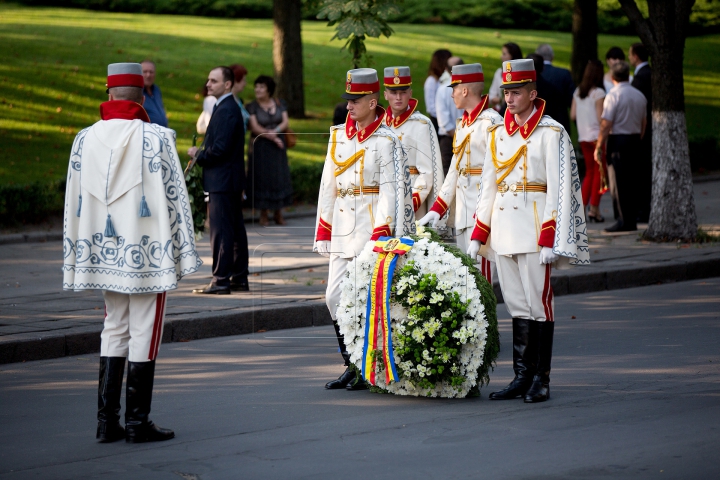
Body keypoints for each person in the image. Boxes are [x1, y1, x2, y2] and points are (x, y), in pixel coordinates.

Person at [63, 62, 201, 443]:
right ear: (143, 97)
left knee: (113, 327)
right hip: (148, 257)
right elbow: (176, 199)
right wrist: (182, 252)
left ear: (108, 94)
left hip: (104, 255)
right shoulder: (156, 138)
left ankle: (106, 423)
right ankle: (138, 423)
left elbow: (73, 202)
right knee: (144, 330)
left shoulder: (84, 139)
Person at [468, 59, 589, 403]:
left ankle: (541, 378)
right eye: (506, 91)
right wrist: (480, 234)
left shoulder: (551, 133)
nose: (508, 97)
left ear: (533, 94)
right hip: (504, 232)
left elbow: (558, 189)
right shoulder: (496, 135)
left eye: (516, 91)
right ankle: (521, 376)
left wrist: (551, 236)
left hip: (536, 232)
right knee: (517, 306)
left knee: (539, 305)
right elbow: (488, 188)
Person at [314, 68, 415, 391]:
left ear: (373, 102)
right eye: (348, 101)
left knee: (366, 300)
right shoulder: (338, 135)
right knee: (333, 297)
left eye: (355, 101)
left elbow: (390, 192)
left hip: (371, 232)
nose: (349, 106)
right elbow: (328, 185)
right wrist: (323, 229)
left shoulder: (387, 141)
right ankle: (350, 362)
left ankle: (362, 366)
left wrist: (381, 235)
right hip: (342, 228)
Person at [419, 63, 502, 283]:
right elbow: (455, 170)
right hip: (464, 212)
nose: (453, 94)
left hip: (481, 214)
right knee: (468, 283)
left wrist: (483, 223)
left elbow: (495, 176)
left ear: (464, 90)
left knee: (481, 282)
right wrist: (438, 208)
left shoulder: (491, 122)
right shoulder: (465, 123)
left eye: (454, 88)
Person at [188, 66, 249, 294]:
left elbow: (220, 150)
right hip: (229, 179)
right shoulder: (227, 107)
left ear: (227, 84)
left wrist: (198, 154)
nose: (208, 84)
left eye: (213, 81)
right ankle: (238, 277)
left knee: (221, 231)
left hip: (222, 180)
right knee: (233, 229)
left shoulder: (225, 109)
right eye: (208, 79)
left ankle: (221, 279)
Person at [382, 66, 444, 217]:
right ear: (385, 95)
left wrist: (409, 205)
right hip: (383, 204)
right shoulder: (380, 124)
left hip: (412, 203)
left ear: (410, 93)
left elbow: (428, 172)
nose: (398, 97)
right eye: (393, 92)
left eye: (403, 92)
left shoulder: (421, 124)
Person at [596, 61, 647, 233]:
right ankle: (631, 219)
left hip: (618, 140)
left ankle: (622, 220)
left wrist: (599, 146)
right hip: (634, 139)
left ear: (612, 77)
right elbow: (643, 123)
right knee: (632, 181)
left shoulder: (613, 95)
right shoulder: (640, 95)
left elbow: (606, 123)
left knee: (618, 182)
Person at [246, 75, 293, 226]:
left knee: (279, 177)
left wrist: (276, 131)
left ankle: (278, 212)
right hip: (260, 147)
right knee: (262, 179)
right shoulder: (252, 106)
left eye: (261, 87)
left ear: (269, 90)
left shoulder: (280, 103)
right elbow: (254, 126)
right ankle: (263, 213)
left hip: (278, 149)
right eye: (256, 86)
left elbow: (285, 121)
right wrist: (272, 137)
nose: (257, 90)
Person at [572, 60, 607, 222]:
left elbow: (572, 115)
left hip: (583, 137)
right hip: (596, 138)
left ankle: (582, 208)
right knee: (599, 173)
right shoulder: (598, 93)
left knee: (588, 173)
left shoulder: (578, 91)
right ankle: (594, 208)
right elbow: (601, 118)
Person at [629, 42, 652, 223]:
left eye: (630, 54)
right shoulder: (648, 73)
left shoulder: (641, 78)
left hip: (641, 131)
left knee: (641, 173)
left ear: (635, 56)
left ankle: (642, 210)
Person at [435, 56, 465, 175]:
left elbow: (444, 123)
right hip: (460, 138)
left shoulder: (442, 89)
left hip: (451, 138)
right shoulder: (468, 88)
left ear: (446, 69)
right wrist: (462, 138)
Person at [535, 44, 574, 134]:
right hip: (559, 122)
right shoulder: (564, 74)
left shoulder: (534, 75)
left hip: (538, 122)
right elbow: (571, 100)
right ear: (552, 57)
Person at [489, 42, 523, 112]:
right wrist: (499, 100)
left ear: (512, 56)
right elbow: (491, 96)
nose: (501, 57)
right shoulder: (499, 72)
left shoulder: (522, 75)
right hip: (500, 111)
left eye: (504, 54)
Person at [424, 49, 452, 133]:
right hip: (437, 122)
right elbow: (431, 107)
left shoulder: (448, 79)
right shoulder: (432, 81)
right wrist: (444, 115)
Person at [141, 60, 168, 127]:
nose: (148, 75)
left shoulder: (156, 90)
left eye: (151, 72)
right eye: (145, 72)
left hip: (162, 133)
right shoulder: (136, 93)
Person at [230, 64, 251, 131]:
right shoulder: (227, 101)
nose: (245, 84)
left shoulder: (238, 99)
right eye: (243, 80)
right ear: (235, 81)